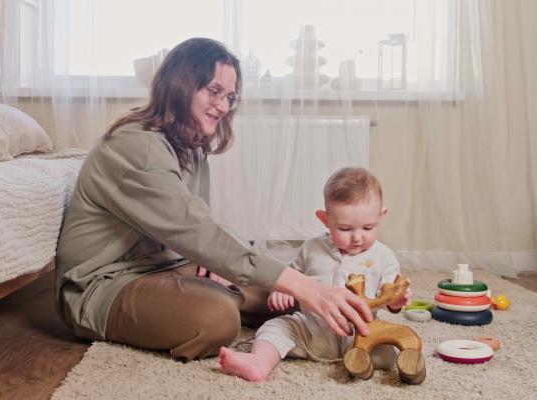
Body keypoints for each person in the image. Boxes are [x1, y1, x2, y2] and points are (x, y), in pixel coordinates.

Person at [55, 38, 372, 363]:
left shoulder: (190, 145)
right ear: (181, 85)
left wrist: (229, 266)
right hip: (102, 285)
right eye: (214, 91)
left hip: (166, 266)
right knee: (219, 318)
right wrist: (305, 287)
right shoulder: (139, 147)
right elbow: (195, 231)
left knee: (281, 297)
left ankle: (210, 296)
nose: (223, 105)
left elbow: (202, 225)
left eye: (230, 97)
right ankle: (202, 304)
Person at [219, 167, 410, 381]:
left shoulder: (384, 257)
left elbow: (389, 295)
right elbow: (290, 275)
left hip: (360, 336)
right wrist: (280, 290)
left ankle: (367, 362)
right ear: (325, 219)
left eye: (367, 228)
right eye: (345, 229)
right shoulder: (312, 248)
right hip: (311, 331)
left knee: (390, 346)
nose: (357, 237)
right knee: (276, 327)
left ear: (381, 215)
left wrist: (397, 302)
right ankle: (259, 362)